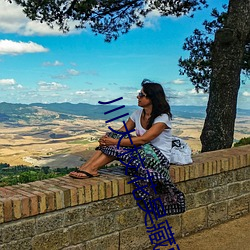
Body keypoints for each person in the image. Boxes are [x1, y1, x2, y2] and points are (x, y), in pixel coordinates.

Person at [69, 79, 185, 215]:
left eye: (142, 95)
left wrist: (113, 141)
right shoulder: (137, 114)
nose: (138, 97)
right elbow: (121, 132)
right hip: (142, 151)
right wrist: (107, 139)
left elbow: (144, 139)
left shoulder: (162, 117)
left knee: (116, 142)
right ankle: (87, 167)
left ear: (152, 98)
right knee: (114, 137)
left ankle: (92, 168)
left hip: (158, 158)